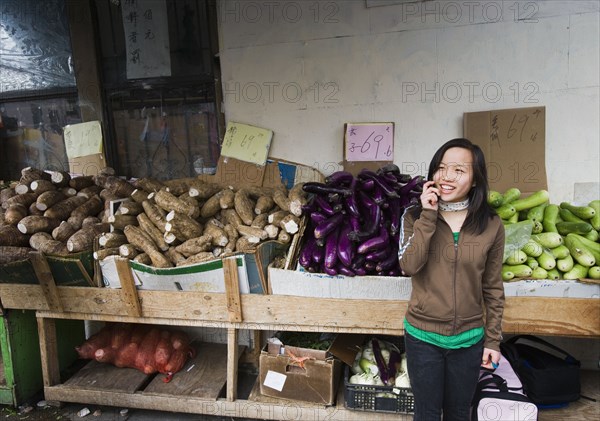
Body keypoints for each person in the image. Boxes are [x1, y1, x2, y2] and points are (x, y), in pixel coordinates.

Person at [398, 138, 505, 420]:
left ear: (475, 178)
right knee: (428, 413)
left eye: (459, 170)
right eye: (441, 168)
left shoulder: (491, 224)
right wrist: (429, 215)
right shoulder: (414, 216)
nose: (446, 176)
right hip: (423, 337)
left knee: (459, 413)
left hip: (469, 341)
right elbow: (409, 265)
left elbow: (493, 286)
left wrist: (493, 340)